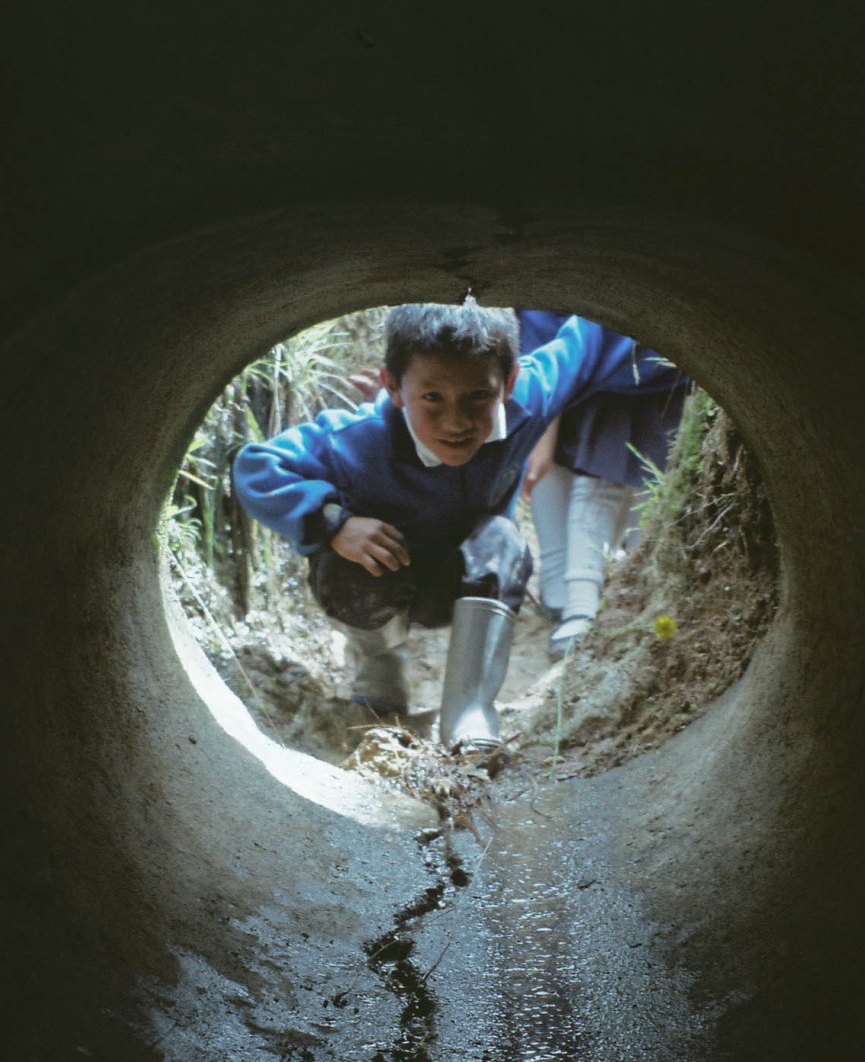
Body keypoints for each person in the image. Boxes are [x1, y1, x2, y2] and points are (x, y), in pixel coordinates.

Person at [233, 301, 679, 750]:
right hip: (381, 577)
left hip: (462, 585)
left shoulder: (530, 400)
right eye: (431, 398)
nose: (456, 423)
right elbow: (258, 465)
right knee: (344, 558)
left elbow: (590, 340)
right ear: (392, 386)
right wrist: (333, 523)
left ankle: (468, 713)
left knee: (504, 539)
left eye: (477, 398)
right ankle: (382, 673)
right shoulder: (355, 438)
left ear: (508, 384)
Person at [518, 310, 689, 657]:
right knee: (598, 486)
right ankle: (575, 602)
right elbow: (541, 340)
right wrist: (542, 432)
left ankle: (624, 598)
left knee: (647, 494)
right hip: (597, 377)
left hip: (647, 377)